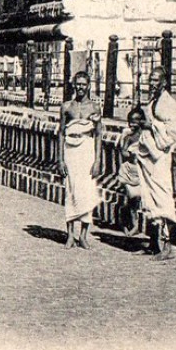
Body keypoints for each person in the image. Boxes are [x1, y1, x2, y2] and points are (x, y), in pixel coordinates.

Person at [137, 64, 176, 260]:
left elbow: (175, 129)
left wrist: (152, 125)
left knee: (163, 198)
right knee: (149, 199)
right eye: (150, 80)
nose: (152, 83)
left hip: (161, 157)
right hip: (150, 155)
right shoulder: (154, 100)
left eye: (156, 80)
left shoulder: (167, 103)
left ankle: (168, 246)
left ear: (163, 83)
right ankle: (154, 243)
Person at [58, 71, 102, 249]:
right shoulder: (66, 107)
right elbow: (61, 133)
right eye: (78, 84)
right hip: (70, 151)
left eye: (83, 84)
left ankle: (83, 235)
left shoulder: (94, 108)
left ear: (89, 86)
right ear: (74, 85)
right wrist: (60, 159)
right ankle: (70, 235)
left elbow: (99, 135)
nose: (80, 87)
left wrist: (98, 160)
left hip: (87, 151)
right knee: (71, 190)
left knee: (87, 192)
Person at [116, 105, 147, 235]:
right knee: (131, 198)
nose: (131, 124)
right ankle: (132, 224)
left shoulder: (146, 137)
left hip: (140, 172)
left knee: (136, 200)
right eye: (130, 121)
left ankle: (132, 222)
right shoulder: (129, 137)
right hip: (128, 171)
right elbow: (122, 152)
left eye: (135, 121)